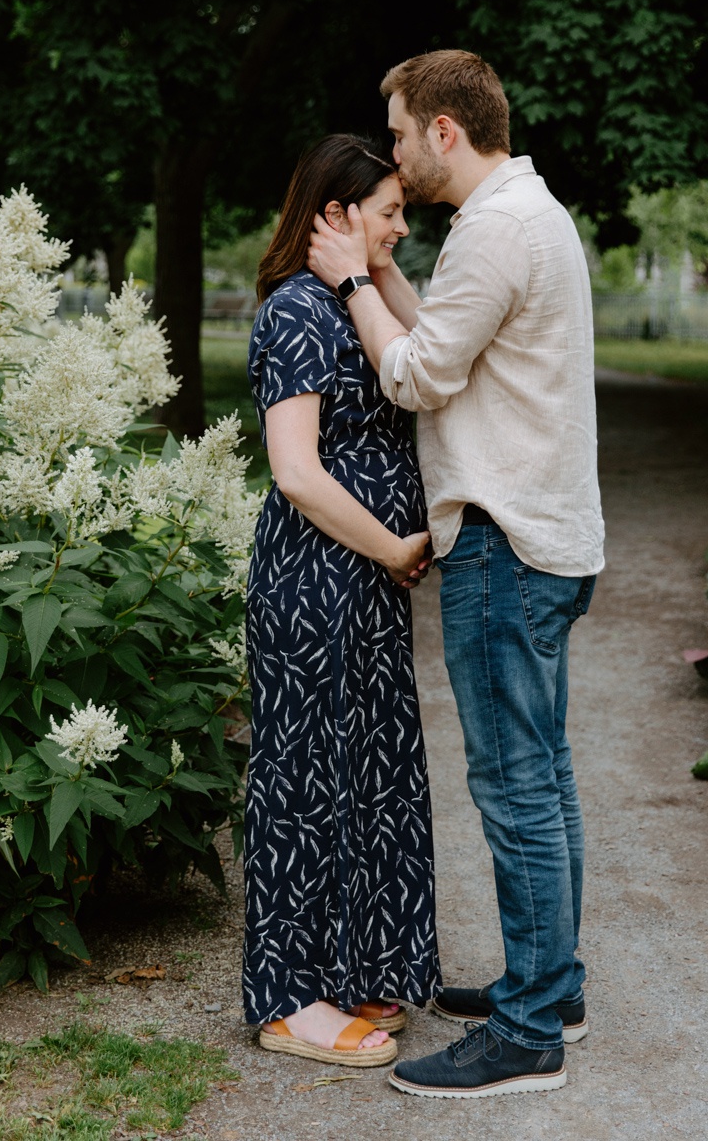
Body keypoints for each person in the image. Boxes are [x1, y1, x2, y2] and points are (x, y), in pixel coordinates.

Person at [307, 50, 605, 1098]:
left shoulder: (491, 230)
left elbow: (422, 372)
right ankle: (550, 981)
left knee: (514, 784)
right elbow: (449, 328)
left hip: (500, 537)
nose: (390, 153)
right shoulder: (531, 215)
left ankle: (528, 1034)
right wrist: (384, 276)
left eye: (396, 133)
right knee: (547, 771)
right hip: (551, 534)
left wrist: (348, 279)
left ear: (443, 130)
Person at [241, 133, 441, 1070]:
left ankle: (353, 962)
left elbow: (428, 358)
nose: (403, 225)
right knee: (304, 783)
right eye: (387, 210)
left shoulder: (346, 305)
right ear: (334, 214)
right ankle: (287, 1000)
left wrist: (373, 267)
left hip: (361, 583)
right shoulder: (295, 313)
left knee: (365, 773)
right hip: (315, 581)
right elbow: (296, 476)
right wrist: (396, 545)